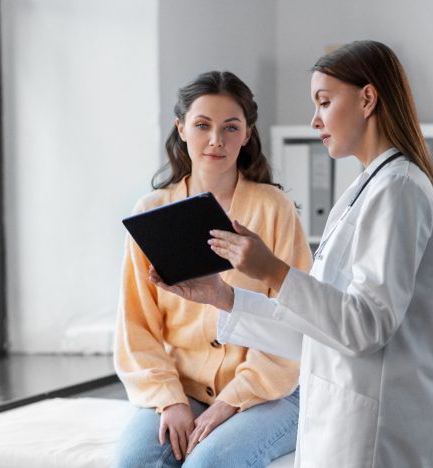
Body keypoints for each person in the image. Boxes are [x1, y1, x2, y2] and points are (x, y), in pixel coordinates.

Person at [151, 41, 433, 467]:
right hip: (342, 422)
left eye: (324, 102)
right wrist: (225, 297)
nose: (314, 120)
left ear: (367, 98)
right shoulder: (366, 190)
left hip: (379, 436)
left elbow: (365, 327)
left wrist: (272, 271)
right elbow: (319, 329)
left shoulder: (398, 190)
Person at [113, 71, 312, 468]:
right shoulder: (151, 213)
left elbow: (295, 320)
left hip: (270, 390)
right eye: (202, 125)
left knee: (208, 464)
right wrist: (170, 399)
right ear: (181, 128)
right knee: (135, 462)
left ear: (247, 135)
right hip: (181, 386)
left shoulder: (274, 209)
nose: (216, 140)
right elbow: (136, 327)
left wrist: (228, 403)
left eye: (230, 128)